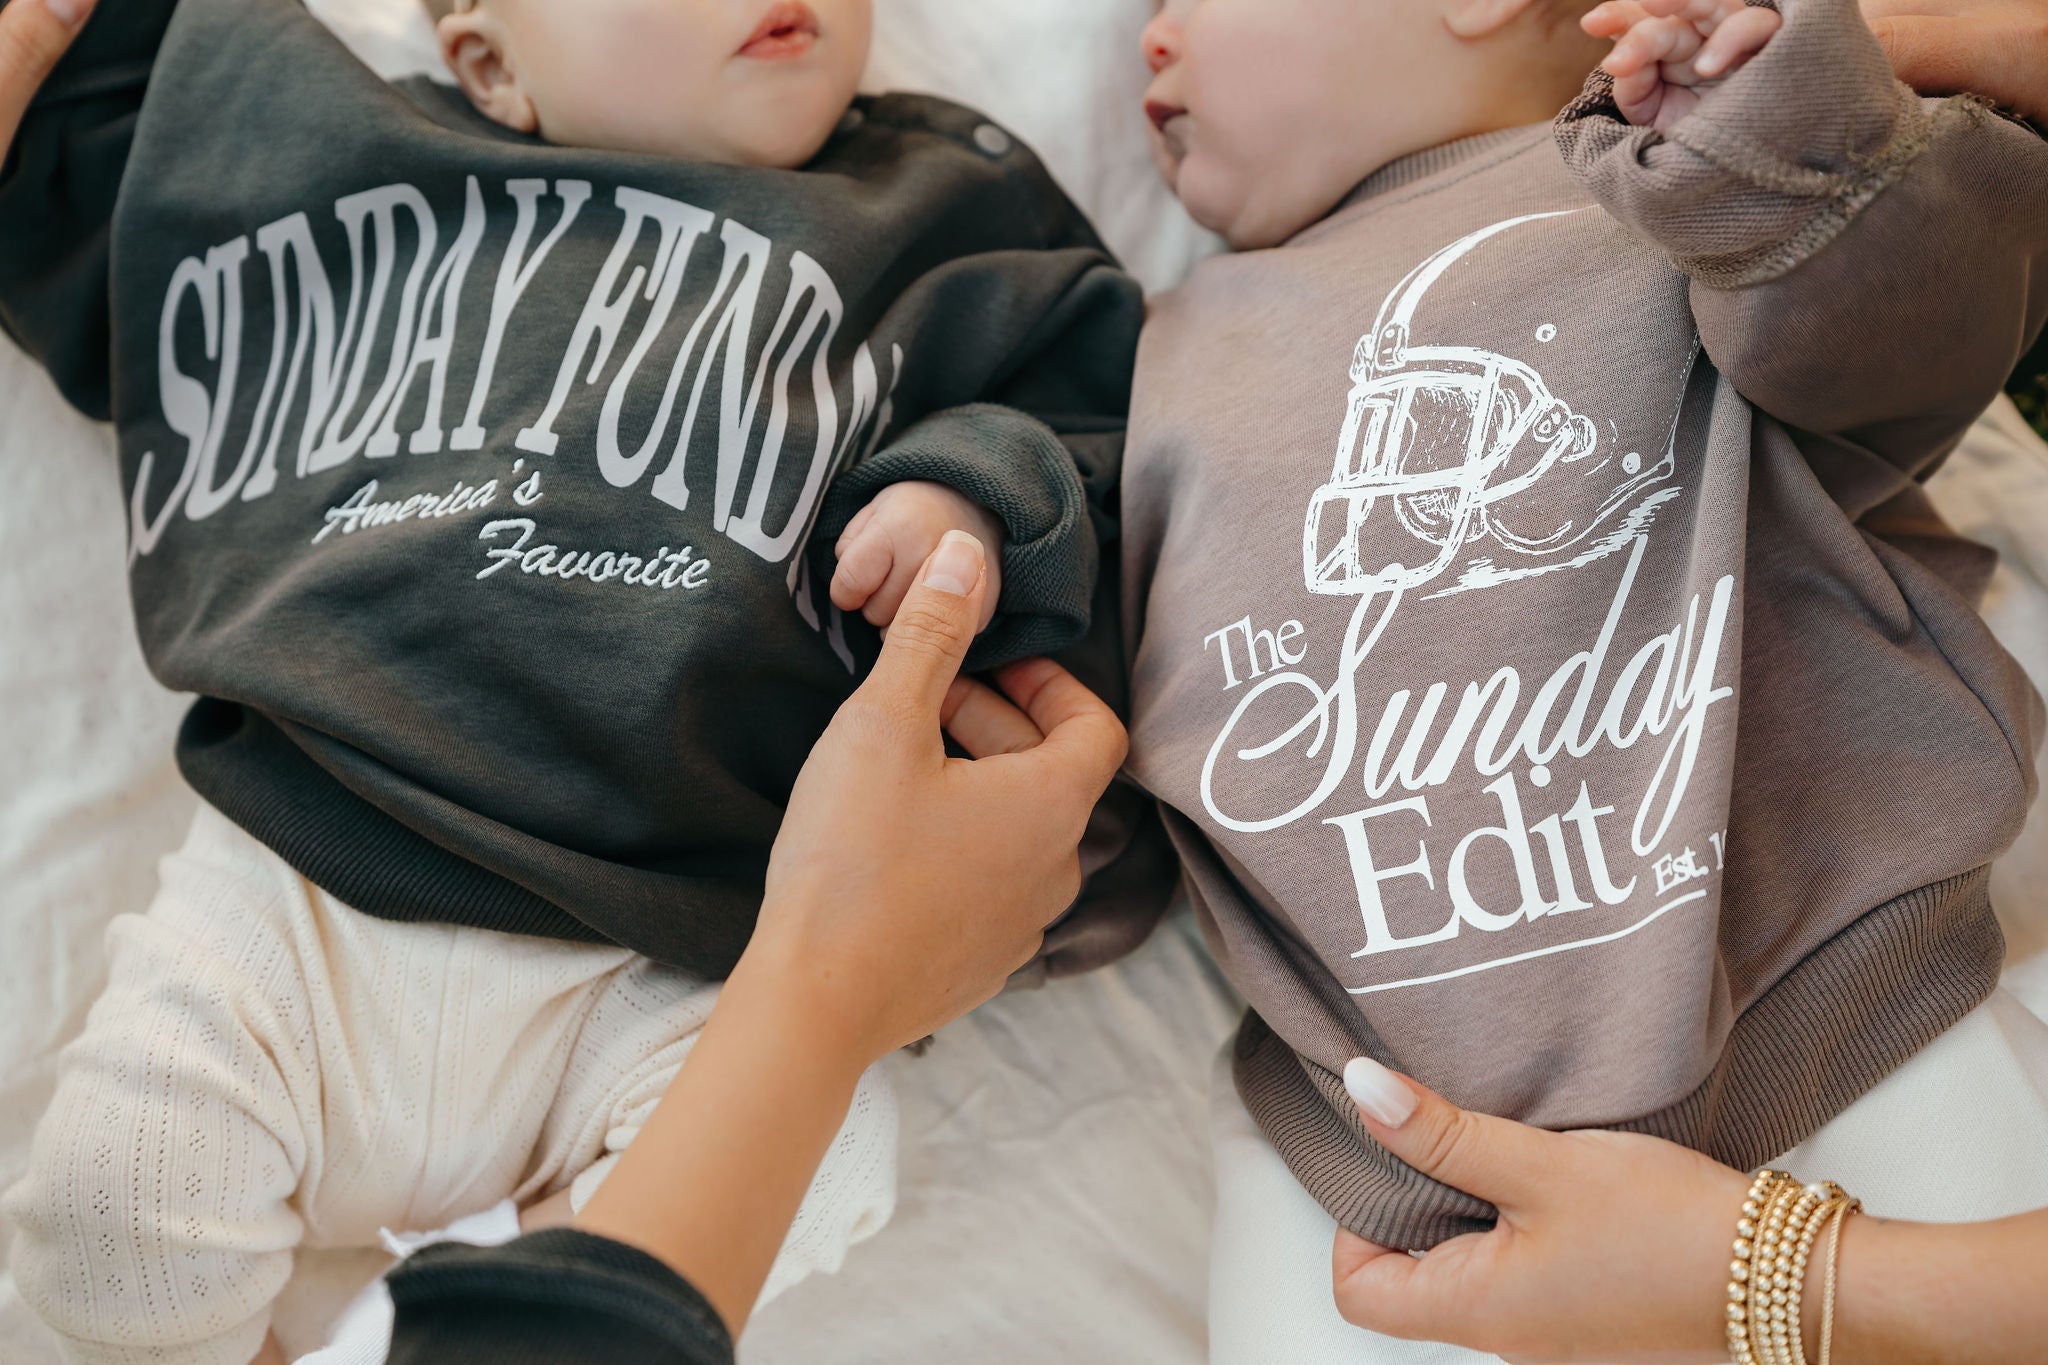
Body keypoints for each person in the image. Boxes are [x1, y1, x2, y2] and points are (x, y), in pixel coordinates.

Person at [0, 0, 1159, 1362]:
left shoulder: (946, 214)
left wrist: (973, 497)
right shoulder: (354, 169)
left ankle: (507, 1268)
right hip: (304, 891)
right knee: (109, 1210)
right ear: (490, 60)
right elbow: (128, 173)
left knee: (835, 1154)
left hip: (678, 957)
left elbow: (1098, 431)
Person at [1122, 0, 2048, 1359]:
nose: (1146, 41)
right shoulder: (1135, 347)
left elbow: (1921, 313)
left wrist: (1775, 120)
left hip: (1849, 1023)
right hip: (1379, 1164)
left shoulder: (1667, 188)